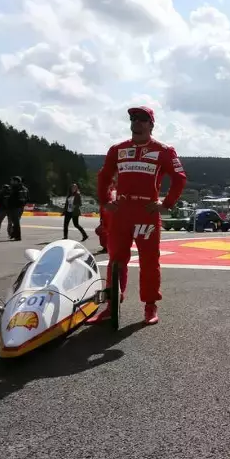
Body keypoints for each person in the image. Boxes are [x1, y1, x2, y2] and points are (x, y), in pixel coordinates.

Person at [87, 106, 187, 325]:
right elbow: (103, 176)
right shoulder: (118, 149)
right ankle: (112, 305)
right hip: (121, 211)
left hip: (146, 212)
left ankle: (150, 306)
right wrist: (105, 202)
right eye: (133, 118)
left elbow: (179, 178)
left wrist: (166, 204)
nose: (137, 122)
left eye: (142, 119)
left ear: (151, 124)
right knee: (115, 260)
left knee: (149, 261)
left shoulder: (164, 150)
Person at [95, 181, 116, 255]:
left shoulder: (113, 192)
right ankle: (106, 246)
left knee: (104, 231)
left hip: (108, 214)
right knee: (103, 231)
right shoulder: (106, 191)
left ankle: (107, 247)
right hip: (104, 214)